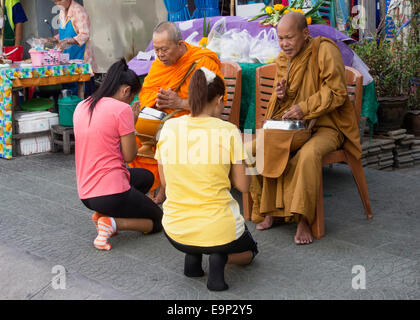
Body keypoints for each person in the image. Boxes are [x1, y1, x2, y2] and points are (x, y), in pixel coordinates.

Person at [251, 12, 362, 244]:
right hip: (298, 125)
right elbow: (287, 97)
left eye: (289, 38)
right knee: (261, 145)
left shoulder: (324, 50)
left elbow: (336, 92)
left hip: (327, 126)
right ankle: (270, 209)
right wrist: (282, 96)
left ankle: (303, 219)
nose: (284, 44)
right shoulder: (284, 58)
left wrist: (304, 108)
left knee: (307, 154)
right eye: (280, 39)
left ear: (305, 33)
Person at [155, 68, 258, 291]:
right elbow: (244, 186)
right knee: (250, 251)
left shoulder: (169, 127)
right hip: (217, 230)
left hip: (174, 228)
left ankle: (193, 261)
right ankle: (217, 259)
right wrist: (247, 156)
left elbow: (164, 183)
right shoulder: (229, 131)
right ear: (220, 99)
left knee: (197, 228)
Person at [129, 21, 225, 205]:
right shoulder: (160, 64)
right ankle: (151, 184)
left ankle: (167, 187)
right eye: (156, 50)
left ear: (180, 45)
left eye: (164, 49)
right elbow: (147, 92)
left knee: (170, 138)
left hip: (192, 121)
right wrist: (155, 101)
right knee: (136, 137)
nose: (159, 55)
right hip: (163, 119)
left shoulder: (202, 62)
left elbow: (216, 108)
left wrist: (179, 102)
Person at [73, 58, 163, 251]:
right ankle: (113, 222)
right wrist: (132, 119)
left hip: (86, 193)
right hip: (111, 192)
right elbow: (130, 156)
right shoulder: (122, 109)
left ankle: (102, 214)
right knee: (159, 221)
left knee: (145, 177)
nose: (130, 101)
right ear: (125, 90)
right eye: (131, 96)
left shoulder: (82, 105)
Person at [44, 0, 97, 96]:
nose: (58, 4)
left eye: (60, 1)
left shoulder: (79, 11)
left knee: (84, 100)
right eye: (55, 2)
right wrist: (50, 39)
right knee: (69, 98)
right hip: (68, 63)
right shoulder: (62, 12)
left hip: (82, 63)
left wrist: (68, 41)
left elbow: (84, 35)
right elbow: (63, 34)